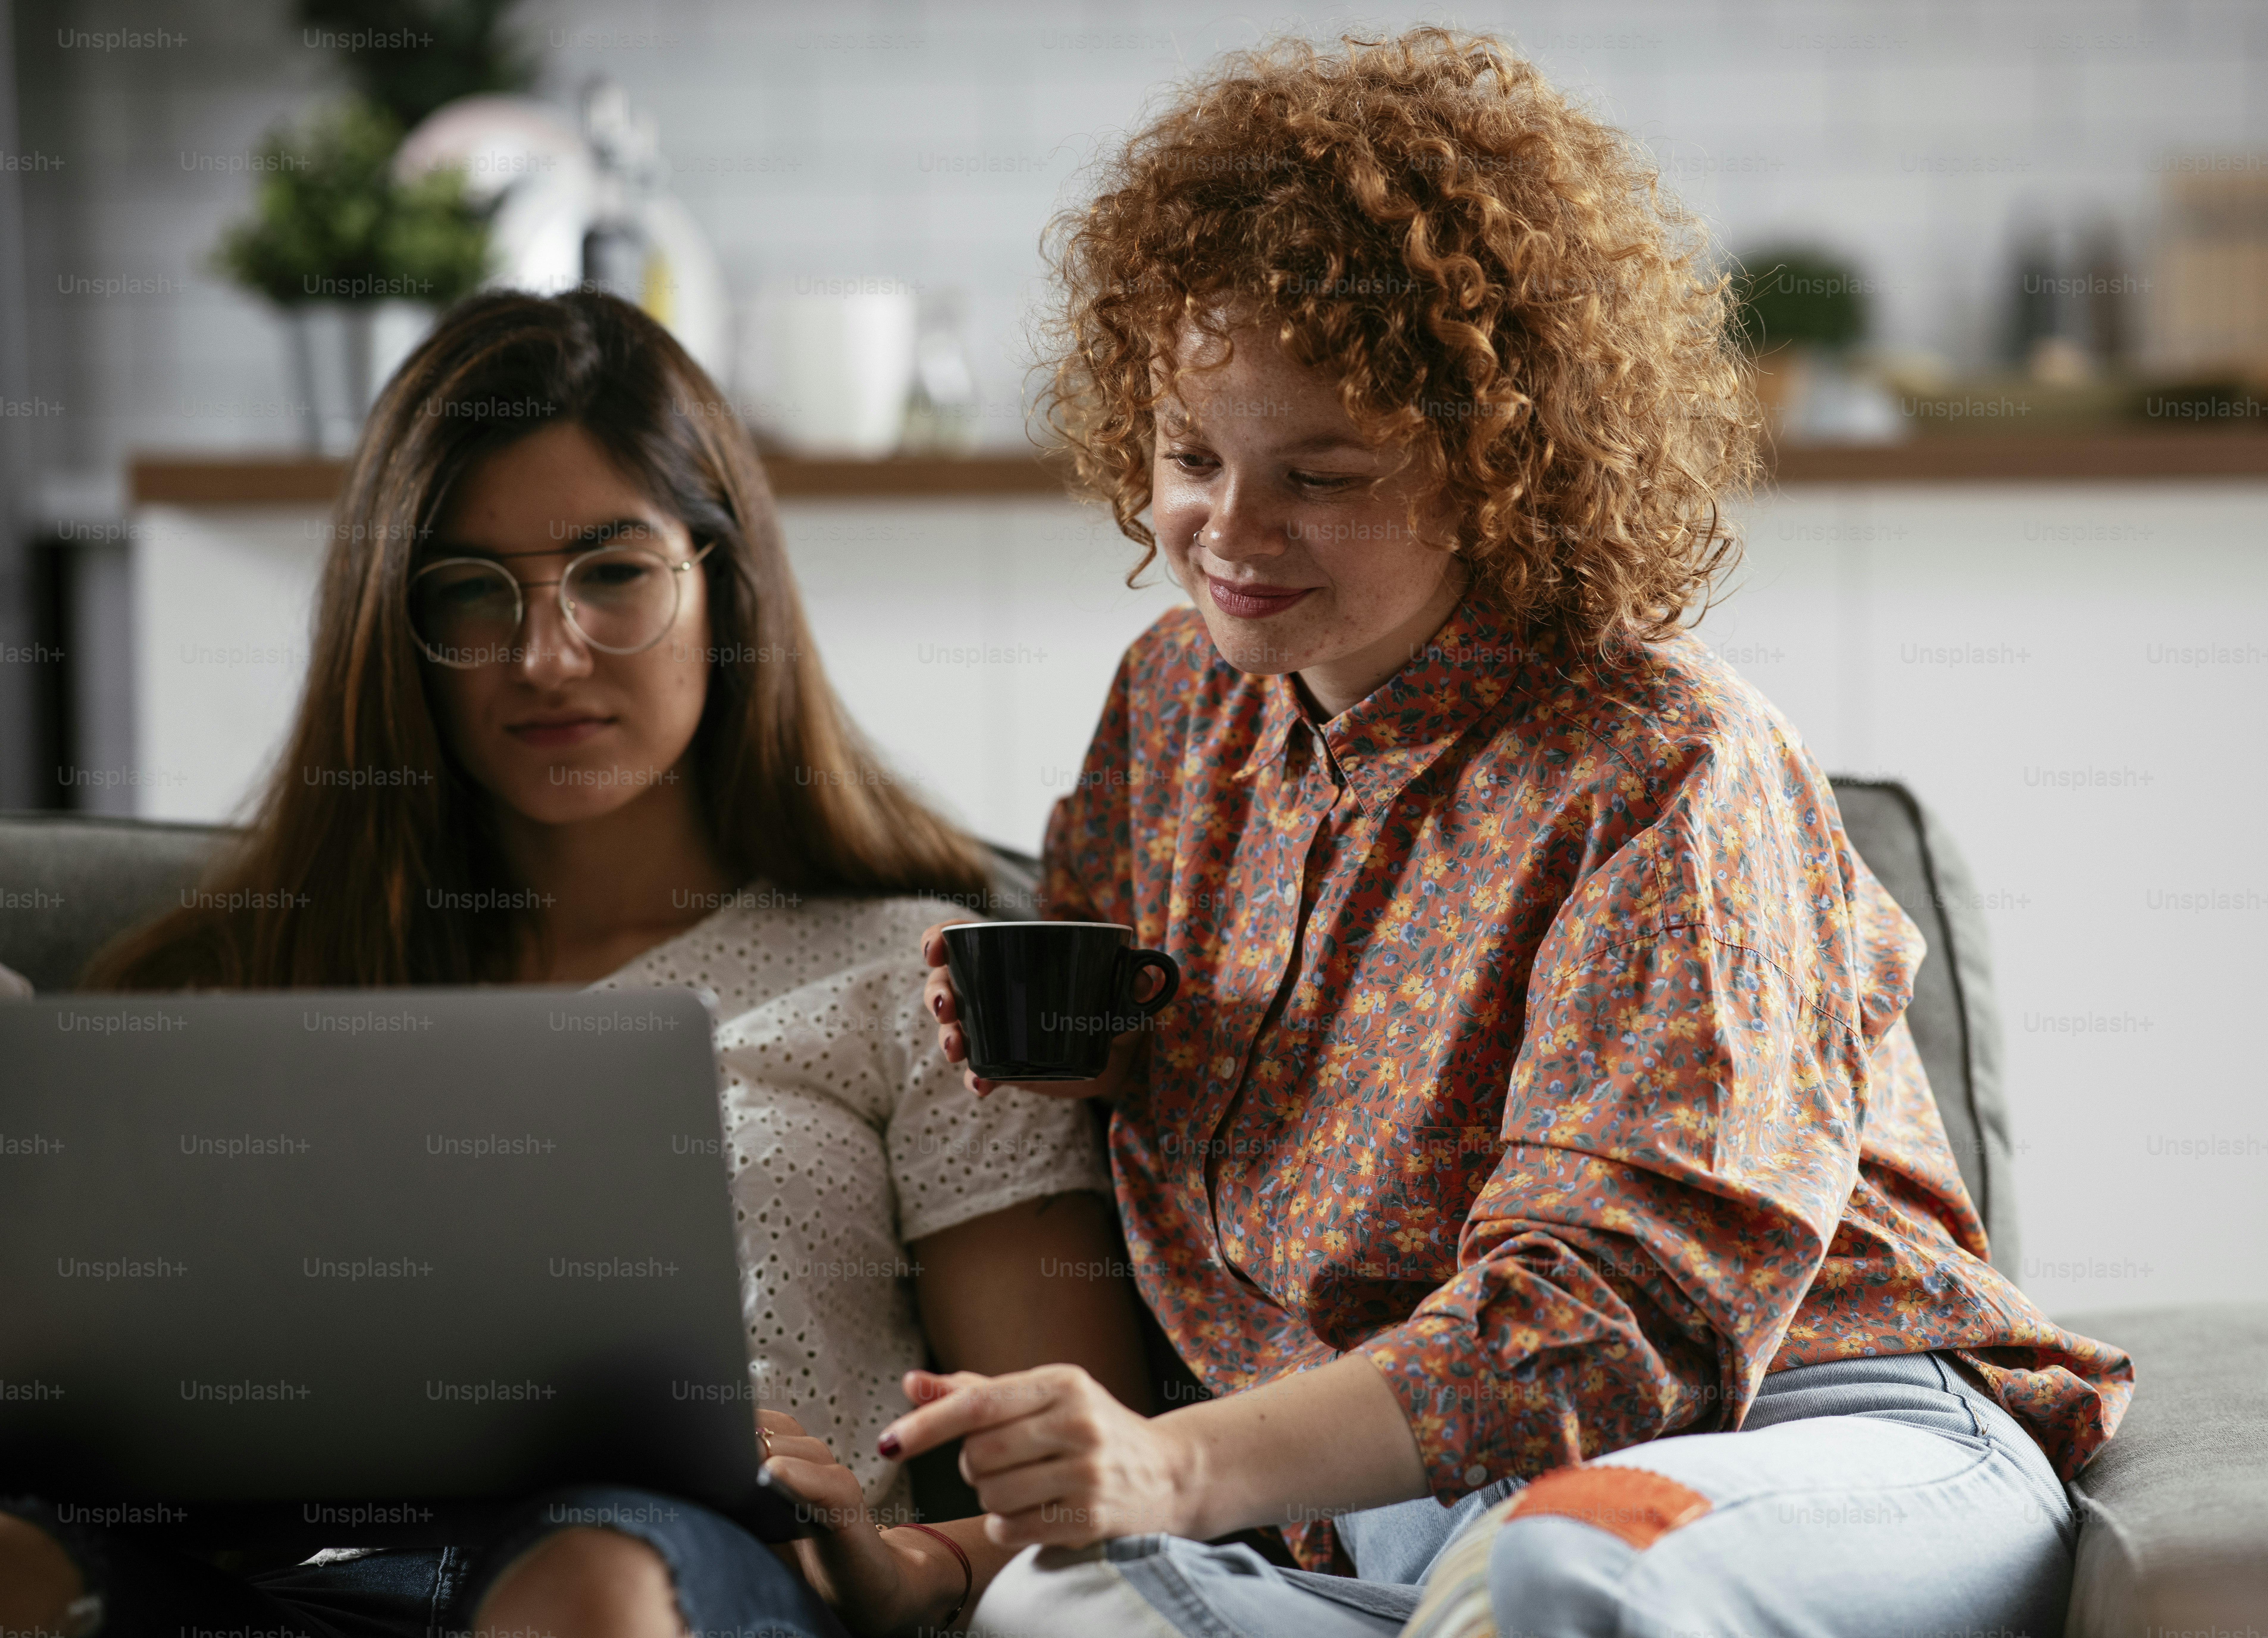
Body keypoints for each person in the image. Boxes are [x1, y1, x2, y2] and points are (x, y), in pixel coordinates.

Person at [776, 30, 2134, 1638]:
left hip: (1802, 1439)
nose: (1231, 530)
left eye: (1322, 474)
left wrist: (1173, 1470)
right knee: (1058, 1615)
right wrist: (1092, 1062)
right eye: (1189, 456)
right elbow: (1178, 1055)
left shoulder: (1663, 763)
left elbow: (1617, 1328)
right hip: (1406, 1527)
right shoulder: (1176, 708)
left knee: (1568, 1569)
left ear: (1507, 469)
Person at [0, 290, 1149, 1638]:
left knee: (589, 1576)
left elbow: (1088, 1481)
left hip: (688, 1572)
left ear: (721, 580)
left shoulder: (920, 977)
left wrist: (901, 1565)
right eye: (471, 594)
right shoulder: (236, 991)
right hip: (283, 1574)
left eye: (611, 573)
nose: (547, 656)